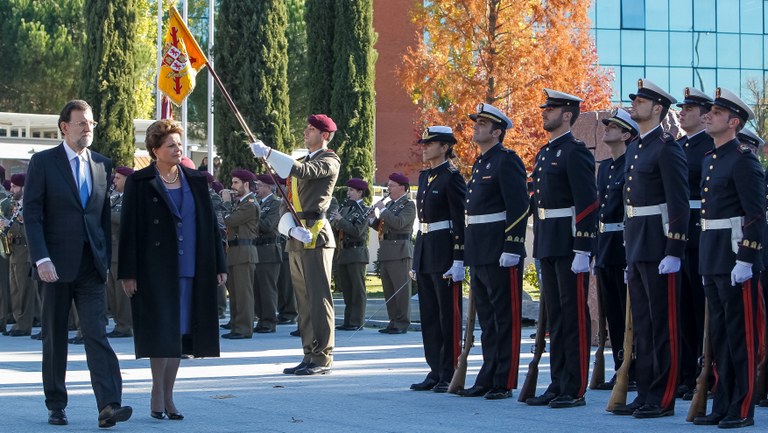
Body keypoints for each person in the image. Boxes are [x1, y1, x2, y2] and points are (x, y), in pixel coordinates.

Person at [23, 99, 132, 427]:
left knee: (96, 332)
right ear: (64, 127)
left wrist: (105, 261)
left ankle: (109, 404)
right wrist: (41, 257)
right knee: (55, 337)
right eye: (82, 123)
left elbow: (99, 217)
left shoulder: (102, 164)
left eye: (91, 123)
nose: (88, 128)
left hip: (90, 267)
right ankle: (56, 403)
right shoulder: (43, 163)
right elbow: (32, 213)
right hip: (54, 266)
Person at [118, 119, 227, 419]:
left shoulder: (195, 179)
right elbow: (129, 230)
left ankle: (169, 395)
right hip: (155, 269)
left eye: (179, 144)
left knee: (180, 333)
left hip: (192, 265)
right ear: (155, 150)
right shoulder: (139, 183)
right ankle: (157, 392)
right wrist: (128, 272)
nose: (178, 149)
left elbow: (210, 225)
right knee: (160, 332)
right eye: (171, 145)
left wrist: (219, 264)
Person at [612, 79, 689, 418]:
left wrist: (674, 249)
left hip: (659, 243)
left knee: (662, 323)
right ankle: (645, 392)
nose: (634, 104)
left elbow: (678, 203)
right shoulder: (636, 147)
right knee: (642, 323)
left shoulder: (667, 147)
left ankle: (664, 396)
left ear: (657, 109)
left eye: (641, 101)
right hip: (638, 242)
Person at [691, 88, 765, 429]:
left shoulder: (743, 159)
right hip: (713, 254)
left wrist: (747, 258)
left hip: (736, 257)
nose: (708, 115)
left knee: (742, 335)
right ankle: (722, 404)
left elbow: (755, 214)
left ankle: (742, 407)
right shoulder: (711, 158)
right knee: (720, 334)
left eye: (716, 113)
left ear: (734, 122)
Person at [250, 114, 340, 375]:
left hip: (317, 235)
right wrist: (289, 227)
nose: (305, 132)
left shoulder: (329, 160)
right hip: (297, 235)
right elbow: (285, 200)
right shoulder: (301, 161)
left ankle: (323, 357)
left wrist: (269, 153)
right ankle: (309, 354)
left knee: (319, 298)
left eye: (312, 130)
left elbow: (303, 172)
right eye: (307, 128)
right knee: (303, 300)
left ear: (324, 135)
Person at [527, 90, 597, 408]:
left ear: (567, 115)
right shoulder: (543, 153)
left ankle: (575, 386)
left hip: (569, 244)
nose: (545, 113)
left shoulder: (575, 152)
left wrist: (583, 248)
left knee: (573, 316)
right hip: (548, 241)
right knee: (555, 317)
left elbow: (587, 203)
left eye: (551, 108)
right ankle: (557, 382)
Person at [460, 103, 528, 400]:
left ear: (497, 132)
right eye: (476, 122)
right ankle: (488, 374)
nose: (475, 127)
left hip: (500, 249)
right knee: (487, 319)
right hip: (480, 248)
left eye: (482, 123)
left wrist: (512, 245)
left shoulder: (506, 160)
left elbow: (519, 206)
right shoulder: (481, 163)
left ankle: (504, 379)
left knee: (504, 317)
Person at [410, 126, 466, 393]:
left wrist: (458, 258)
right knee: (429, 315)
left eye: (430, 144)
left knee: (447, 315)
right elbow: (422, 223)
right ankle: (434, 369)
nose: (424, 147)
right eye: (424, 143)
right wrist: (415, 261)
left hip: (444, 251)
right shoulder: (424, 177)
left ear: (444, 147)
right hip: (425, 250)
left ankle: (450, 370)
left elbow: (459, 221)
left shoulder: (452, 177)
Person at [594, 109, 638, 389]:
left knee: (628, 311)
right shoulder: (606, 167)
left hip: (624, 246)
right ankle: (619, 364)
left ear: (626, 135)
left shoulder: (631, 165)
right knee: (612, 312)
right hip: (606, 247)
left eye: (614, 127)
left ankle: (632, 368)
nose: (607, 129)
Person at [675, 87, 714, 400]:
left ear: (705, 116)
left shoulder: (709, 146)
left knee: (703, 307)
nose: (682, 111)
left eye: (690, 108)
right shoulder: (677, 146)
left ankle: (707, 373)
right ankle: (686, 373)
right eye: (682, 107)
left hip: (701, 232)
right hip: (677, 234)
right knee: (683, 308)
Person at [369, 173, 416, 334]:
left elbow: (399, 223)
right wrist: (372, 220)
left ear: (402, 188)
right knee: (389, 290)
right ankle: (393, 321)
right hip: (387, 250)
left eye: (391, 185)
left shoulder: (409, 205)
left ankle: (402, 323)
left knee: (400, 291)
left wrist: (382, 210)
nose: (388, 188)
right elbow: (383, 227)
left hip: (400, 252)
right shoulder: (389, 205)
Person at [222, 169, 259, 340]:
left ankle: (244, 328)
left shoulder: (250, 204)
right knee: (235, 293)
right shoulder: (241, 203)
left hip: (244, 252)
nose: (232, 186)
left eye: (236, 183)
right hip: (235, 251)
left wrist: (226, 203)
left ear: (246, 184)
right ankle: (236, 326)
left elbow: (229, 220)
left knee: (244, 293)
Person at [330, 178, 371, 331]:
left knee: (357, 289)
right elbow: (337, 227)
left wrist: (340, 221)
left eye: (351, 191)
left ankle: (357, 321)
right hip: (344, 252)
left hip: (357, 253)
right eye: (348, 190)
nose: (348, 193)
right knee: (347, 289)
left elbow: (357, 231)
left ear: (360, 193)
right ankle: (348, 320)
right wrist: (334, 221)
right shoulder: (345, 209)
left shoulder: (365, 210)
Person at [1, 174, 36, 337]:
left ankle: (24, 324)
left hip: (24, 250)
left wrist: (11, 224)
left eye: (15, 187)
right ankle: (17, 321)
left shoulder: (28, 205)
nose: (12, 189)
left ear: (23, 187)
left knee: (24, 290)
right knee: (14, 289)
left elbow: (27, 231)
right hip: (14, 250)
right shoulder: (15, 205)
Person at [252, 174, 283, 333]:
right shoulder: (257, 203)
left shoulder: (276, 204)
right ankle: (261, 319)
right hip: (257, 249)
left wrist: (251, 217)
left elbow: (269, 226)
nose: (256, 187)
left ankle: (270, 321)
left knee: (267, 288)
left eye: (260, 185)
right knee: (257, 288)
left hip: (269, 250)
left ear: (270, 187)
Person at [105, 167, 134, 338]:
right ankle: (118, 322)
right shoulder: (117, 199)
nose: (114, 181)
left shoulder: (131, 198)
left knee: (122, 293)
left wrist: (104, 211)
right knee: (112, 291)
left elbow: (122, 218)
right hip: (111, 251)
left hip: (121, 251)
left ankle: (125, 325)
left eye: (118, 178)